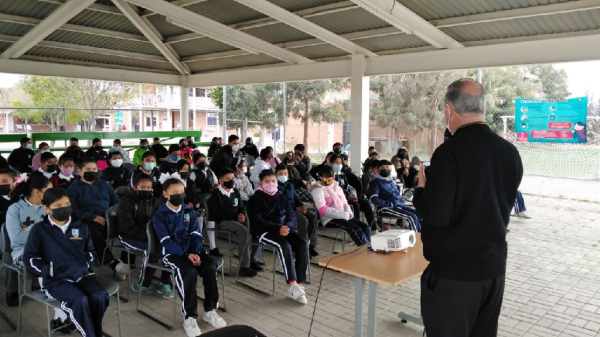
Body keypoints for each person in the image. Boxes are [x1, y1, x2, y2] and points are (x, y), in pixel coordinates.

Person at [413, 79, 523, 337]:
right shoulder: (509, 152)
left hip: (454, 277)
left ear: (448, 110)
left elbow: (437, 214)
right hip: (493, 270)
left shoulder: (448, 153)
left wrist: (421, 191)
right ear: (482, 108)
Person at [24, 187, 109, 337]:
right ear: (46, 208)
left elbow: (90, 251)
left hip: (83, 275)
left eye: (67, 204)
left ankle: (92, 332)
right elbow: (30, 258)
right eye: (57, 206)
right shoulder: (39, 230)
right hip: (56, 280)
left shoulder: (80, 226)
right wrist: (49, 270)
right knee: (80, 300)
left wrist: (85, 265)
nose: (63, 208)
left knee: (100, 296)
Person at [154, 177, 227, 335]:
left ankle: (210, 311)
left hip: (192, 250)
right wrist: (186, 255)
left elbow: (196, 234)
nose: (179, 196)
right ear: (166, 194)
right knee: (188, 272)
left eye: (181, 192)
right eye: (175, 193)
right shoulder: (160, 214)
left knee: (209, 267)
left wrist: (195, 251)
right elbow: (166, 241)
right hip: (172, 253)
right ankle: (189, 317)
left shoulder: (189, 211)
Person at [5, 175, 73, 332]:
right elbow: (17, 238)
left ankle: (60, 315)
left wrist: (30, 231)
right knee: (48, 264)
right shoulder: (15, 209)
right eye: (48, 190)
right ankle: (62, 313)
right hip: (22, 253)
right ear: (36, 192)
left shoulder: (49, 207)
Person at [248, 169, 309, 304]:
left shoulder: (281, 195)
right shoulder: (256, 198)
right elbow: (257, 219)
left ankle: (299, 282)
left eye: (273, 181)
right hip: (264, 231)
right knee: (284, 245)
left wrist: (288, 227)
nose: (271, 184)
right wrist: (278, 228)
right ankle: (292, 284)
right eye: (267, 182)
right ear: (261, 183)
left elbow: (291, 215)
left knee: (302, 244)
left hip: (283, 229)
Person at [67, 157, 127, 279]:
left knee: (128, 226)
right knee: (91, 231)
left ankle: (126, 260)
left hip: (108, 219)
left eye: (94, 169)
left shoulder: (105, 185)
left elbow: (116, 203)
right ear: (80, 171)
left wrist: (111, 216)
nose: (92, 171)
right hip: (88, 220)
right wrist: (93, 217)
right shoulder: (73, 188)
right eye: (88, 169)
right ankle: (112, 262)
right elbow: (74, 210)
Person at [117, 173, 173, 297]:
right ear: (135, 187)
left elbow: (160, 220)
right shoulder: (126, 202)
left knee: (167, 247)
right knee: (151, 250)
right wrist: (151, 238)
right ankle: (143, 283)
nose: (147, 190)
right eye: (143, 187)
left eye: (149, 188)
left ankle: (165, 281)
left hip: (149, 236)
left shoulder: (154, 201)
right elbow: (128, 228)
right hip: (128, 236)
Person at [208, 168, 259, 276]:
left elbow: (240, 207)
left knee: (255, 227)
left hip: (236, 219)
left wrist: (241, 215)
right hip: (222, 221)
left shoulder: (235, 191)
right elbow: (216, 214)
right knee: (243, 231)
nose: (231, 180)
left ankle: (254, 259)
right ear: (221, 181)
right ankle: (244, 267)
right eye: (228, 179)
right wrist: (235, 217)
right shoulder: (216, 194)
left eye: (232, 178)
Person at [311, 166, 370, 246]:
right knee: (356, 230)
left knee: (366, 227)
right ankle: (365, 251)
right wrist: (344, 215)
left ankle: (369, 247)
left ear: (334, 176)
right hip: (330, 219)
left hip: (343, 215)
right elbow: (323, 210)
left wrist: (349, 213)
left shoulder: (337, 187)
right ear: (320, 177)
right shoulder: (317, 189)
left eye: (329, 176)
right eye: (324, 176)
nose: (326, 179)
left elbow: (345, 203)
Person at [275, 164, 319, 257]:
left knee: (313, 217)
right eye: (281, 174)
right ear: (276, 175)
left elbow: (296, 197)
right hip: (286, 210)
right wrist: (296, 208)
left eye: (285, 173)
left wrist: (301, 206)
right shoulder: (275, 187)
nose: (284, 176)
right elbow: (282, 203)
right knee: (303, 220)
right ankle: (302, 247)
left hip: (296, 208)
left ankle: (311, 245)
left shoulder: (290, 184)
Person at [367, 160, 421, 232]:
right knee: (411, 217)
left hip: (399, 205)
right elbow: (373, 198)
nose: (386, 168)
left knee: (419, 214)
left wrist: (400, 199)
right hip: (386, 208)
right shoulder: (377, 181)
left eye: (388, 166)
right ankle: (417, 240)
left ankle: (422, 236)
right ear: (378, 169)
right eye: (383, 167)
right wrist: (389, 204)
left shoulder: (392, 180)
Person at [330, 154, 375, 229]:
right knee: (355, 205)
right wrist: (347, 197)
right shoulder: (328, 176)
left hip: (347, 197)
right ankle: (356, 227)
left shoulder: (342, 175)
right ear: (331, 163)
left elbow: (346, 188)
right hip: (337, 200)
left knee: (365, 203)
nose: (339, 164)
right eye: (336, 162)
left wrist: (351, 195)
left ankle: (374, 228)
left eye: (340, 163)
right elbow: (332, 192)